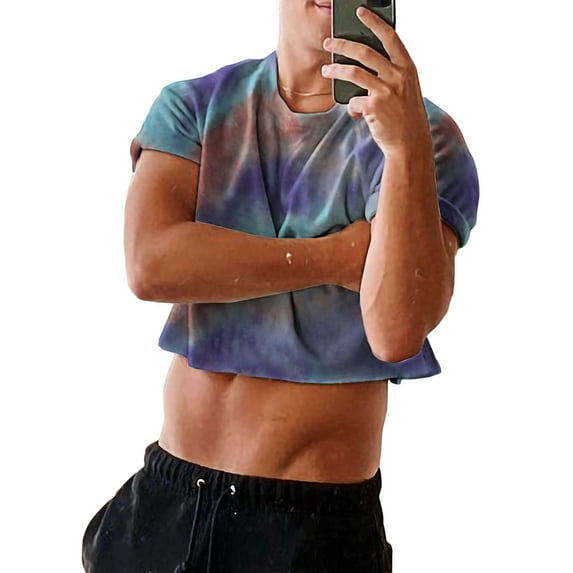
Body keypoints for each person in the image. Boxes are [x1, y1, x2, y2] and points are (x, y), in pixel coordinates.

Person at [81, 1, 479, 572]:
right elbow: (151, 265)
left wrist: (404, 147)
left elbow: (395, 330)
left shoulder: (428, 139)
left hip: (308, 526)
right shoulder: (195, 106)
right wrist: (336, 256)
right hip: (166, 501)